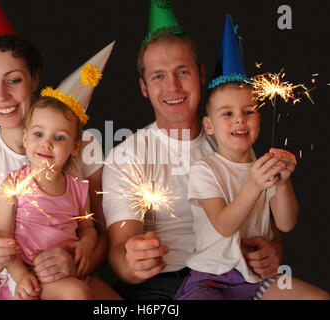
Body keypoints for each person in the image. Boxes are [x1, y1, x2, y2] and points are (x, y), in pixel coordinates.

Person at [102, 2, 282, 300]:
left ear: (200, 74)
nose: (172, 86)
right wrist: (133, 261)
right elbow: (120, 250)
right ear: (144, 87)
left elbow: (270, 228)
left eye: (181, 71)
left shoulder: (232, 140)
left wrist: (272, 250)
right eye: (158, 76)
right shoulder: (127, 157)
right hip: (162, 282)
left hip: (234, 275)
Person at [0, 1, 108, 299]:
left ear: (34, 77)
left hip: (75, 280)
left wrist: (78, 258)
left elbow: (100, 238)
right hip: (16, 286)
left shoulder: (85, 147)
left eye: (13, 80)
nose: (2, 96)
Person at [174, 80, 330, 299]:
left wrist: (284, 182)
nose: (240, 119)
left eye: (249, 111)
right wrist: (254, 185)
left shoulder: (264, 165)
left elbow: (286, 224)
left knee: (318, 298)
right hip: (213, 277)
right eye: (227, 113)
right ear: (209, 125)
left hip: (257, 278)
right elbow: (223, 225)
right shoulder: (205, 170)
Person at [0, 96, 119, 299]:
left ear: (74, 147)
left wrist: (86, 245)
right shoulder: (14, 185)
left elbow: (88, 228)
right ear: (25, 138)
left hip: (70, 272)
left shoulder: (78, 188)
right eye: (38, 134)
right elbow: (3, 241)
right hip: (31, 279)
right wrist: (22, 276)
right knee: (77, 293)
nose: (47, 143)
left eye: (59, 138)